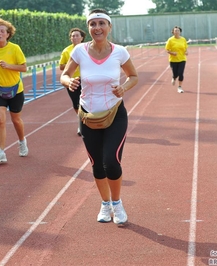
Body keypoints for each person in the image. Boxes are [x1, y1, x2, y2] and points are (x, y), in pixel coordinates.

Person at [60, 9, 138, 225]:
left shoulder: (119, 52)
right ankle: (105, 204)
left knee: (111, 161)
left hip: (114, 114)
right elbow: (64, 75)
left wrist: (123, 87)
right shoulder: (79, 51)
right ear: (88, 28)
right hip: (88, 116)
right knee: (96, 164)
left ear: (109, 27)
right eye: (93, 24)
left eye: (102, 23)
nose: (97, 28)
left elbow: (133, 76)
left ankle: (117, 203)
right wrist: (69, 82)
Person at [0, 18, 28, 163]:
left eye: (2, 31)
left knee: (16, 120)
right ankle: (1, 152)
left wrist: (8, 66)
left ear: (8, 34)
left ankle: (22, 141)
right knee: (0, 120)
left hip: (16, 89)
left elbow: (23, 67)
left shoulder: (15, 49)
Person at [59, 28, 86, 136]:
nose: (74, 38)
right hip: (72, 80)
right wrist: (73, 64)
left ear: (82, 38)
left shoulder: (87, 49)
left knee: (86, 103)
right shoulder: (67, 51)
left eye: (76, 35)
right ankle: (80, 119)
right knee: (76, 104)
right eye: (72, 36)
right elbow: (61, 66)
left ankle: (84, 124)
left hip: (86, 79)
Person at [165, 26, 188, 93]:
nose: (177, 32)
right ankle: (174, 77)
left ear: (180, 32)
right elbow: (167, 50)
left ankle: (180, 87)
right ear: (173, 32)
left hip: (182, 59)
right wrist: (172, 53)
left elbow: (185, 47)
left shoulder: (183, 39)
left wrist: (186, 52)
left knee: (180, 73)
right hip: (173, 60)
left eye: (178, 30)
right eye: (175, 30)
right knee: (175, 73)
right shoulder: (170, 40)